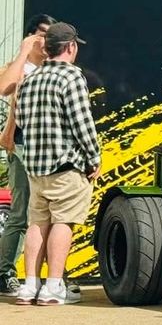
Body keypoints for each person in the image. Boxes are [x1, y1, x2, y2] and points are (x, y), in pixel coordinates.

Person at [14, 22, 101, 306]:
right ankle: (53, 286)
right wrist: (94, 158)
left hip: (35, 168)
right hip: (65, 166)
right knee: (63, 222)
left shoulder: (31, 79)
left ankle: (29, 286)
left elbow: (21, 121)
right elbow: (82, 123)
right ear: (70, 47)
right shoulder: (72, 76)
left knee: (37, 224)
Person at [0, 15, 54, 294]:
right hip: (23, 147)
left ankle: (50, 277)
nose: (46, 42)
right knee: (21, 213)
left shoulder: (53, 68)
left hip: (50, 149)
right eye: (42, 35)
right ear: (32, 36)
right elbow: (4, 88)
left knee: (50, 215)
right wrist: (23, 52)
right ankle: (4, 271)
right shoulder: (20, 66)